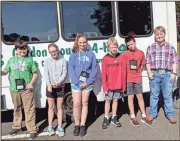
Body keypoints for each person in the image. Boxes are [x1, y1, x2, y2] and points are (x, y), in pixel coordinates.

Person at [1, 40, 38, 139]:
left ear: (27, 49)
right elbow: (5, 71)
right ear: (16, 50)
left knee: (29, 109)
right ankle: (17, 126)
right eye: (20, 49)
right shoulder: (11, 60)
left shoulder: (30, 60)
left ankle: (32, 129)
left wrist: (31, 84)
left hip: (26, 89)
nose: (22, 51)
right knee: (16, 108)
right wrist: (1, 72)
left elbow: (35, 73)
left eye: (24, 48)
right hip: (14, 89)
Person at [146, 26, 179, 124]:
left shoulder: (170, 47)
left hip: (167, 74)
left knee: (167, 96)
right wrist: (149, 72)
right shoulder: (150, 47)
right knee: (154, 95)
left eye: (161, 34)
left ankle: (170, 115)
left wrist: (174, 73)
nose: (159, 36)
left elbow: (175, 61)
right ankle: (152, 114)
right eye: (157, 34)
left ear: (164, 34)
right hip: (154, 74)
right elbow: (147, 61)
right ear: (155, 36)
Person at [68, 34, 98, 137]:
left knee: (85, 103)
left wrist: (88, 82)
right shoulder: (73, 55)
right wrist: (77, 82)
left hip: (87, 83)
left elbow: (94, 69)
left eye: (84, 42)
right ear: (77, 42)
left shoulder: (91, 54)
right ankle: (76, 125)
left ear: (87, 42)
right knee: (76, 104)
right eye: (80, 42)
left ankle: (82, 125)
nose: (82, 44)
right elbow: (71, 69)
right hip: (76, 83)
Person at [123, 36, 153, 127]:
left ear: (135, 42)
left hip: (137, 79)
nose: (130, 46)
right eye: (128, 45)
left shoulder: (141, 53)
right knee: (130, 98)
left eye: (132, 44)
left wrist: (139, 71)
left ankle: (144, 115)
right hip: (128, 79)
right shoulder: (125, 54)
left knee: (140, 96)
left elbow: (143, 64)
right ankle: (132, 116)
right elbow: (123, 67)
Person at [101, 37, 127, 129]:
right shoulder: (105, 58)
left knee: (116, 100)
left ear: (117, 47)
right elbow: (104, 74)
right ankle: (106, 117)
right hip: (109, 85)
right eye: (112, 47)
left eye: (115, 47)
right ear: (108, 47)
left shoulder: (121, 57)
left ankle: (114, 117)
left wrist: (124, 86)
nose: (114, 49)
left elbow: (124, 72)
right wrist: (105, 87)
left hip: (118, 84)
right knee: (108, 101)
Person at [44, 43, 67, 137]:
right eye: (51, 52)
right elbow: (46, 74)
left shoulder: (63, 60)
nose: (53, 53)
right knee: (50, 107)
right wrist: (49, 85)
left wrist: (59, 81)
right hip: (50, 87)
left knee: (60, 107)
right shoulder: (47, 61)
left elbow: (65, 73)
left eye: (54, 51)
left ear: (57, 50)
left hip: (60, 86)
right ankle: (50, 126)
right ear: (49, 53)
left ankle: (60, 126)